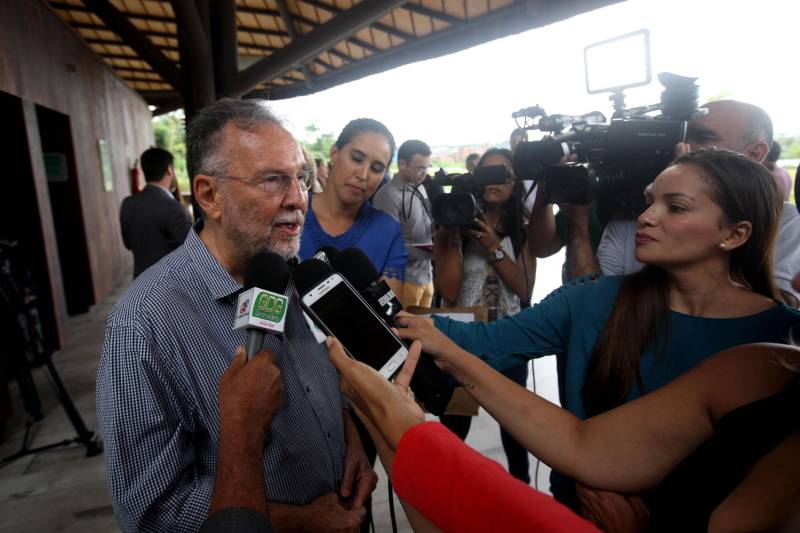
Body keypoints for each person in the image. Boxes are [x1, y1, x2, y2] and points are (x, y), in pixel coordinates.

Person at [399, 149, 800, 509]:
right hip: (580, 510)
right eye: (649, 201)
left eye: (675, 207)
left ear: (735, 234)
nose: (646, 216)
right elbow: (486, 343)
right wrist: (394, 316)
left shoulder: (782, 344)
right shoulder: (589, 300)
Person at [97, 99, 376, 533]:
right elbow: (150, 511)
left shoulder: (282, 270)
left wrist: (349, 437)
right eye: (272, 181)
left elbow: (316, 379)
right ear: (209, 195)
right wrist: (301, 522)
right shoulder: (143, 324)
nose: (298, 200)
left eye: (301, 179)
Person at [590, 100, 800, 301]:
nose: (682, 145)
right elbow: (595, 303)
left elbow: (776, 316)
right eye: (681, 134)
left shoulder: (789, 223)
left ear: (754, 153)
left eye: (703, 138)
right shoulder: (634, 213)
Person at [433, 148, 537, 482]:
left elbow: (524, 290)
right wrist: (450, 239)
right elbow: (448, 292)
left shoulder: (521, 229)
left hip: (509, 338)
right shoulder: (453, 221)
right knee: (455, 425)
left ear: (514, 180)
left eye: (502, 173)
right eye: (486, 173)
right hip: (462, 340)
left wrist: (493, 245)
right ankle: (447, 496)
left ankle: (523, 496)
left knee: (516, 428)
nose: (494, 181)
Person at [298, 118, 407, 295]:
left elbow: (385, 315)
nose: (363, 175)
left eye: (377, 168)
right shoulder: (291, 210)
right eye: (356, 159)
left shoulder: (389, 231)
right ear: (335, 153)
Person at [372, 140, 435, 308]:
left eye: (427, 167)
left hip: (426, 276)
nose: (425, 173)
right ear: (402, 164)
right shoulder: (388, 195)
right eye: (420, 168)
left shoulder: (420, 188)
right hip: (403, 280)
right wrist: (430, 252)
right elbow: (385, 247)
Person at [119, 147, 192, 277]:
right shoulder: (172, 206)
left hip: (139, 284)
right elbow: (192, 247)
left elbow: (128, 243)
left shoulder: (128, 204)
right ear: (170, 169)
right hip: (169, 286)